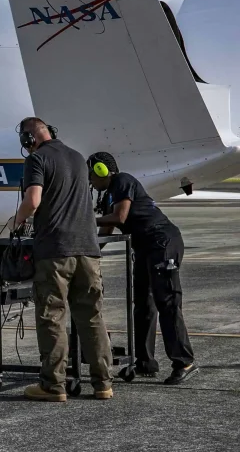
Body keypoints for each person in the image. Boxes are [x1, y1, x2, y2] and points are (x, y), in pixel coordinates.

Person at [12, 117, 114, 402]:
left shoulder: (37, 160)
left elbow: (33, 201)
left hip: (56, 251)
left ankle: (53, 385)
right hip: (88, 250)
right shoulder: (78, 157)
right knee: (92, 317)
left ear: (28, 140)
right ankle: (103, 384)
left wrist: (17, 222)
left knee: (52, 318)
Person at [87, 151, 199, 385]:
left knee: (166, 302)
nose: (90, 181)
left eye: (91, 175)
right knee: (143, 305)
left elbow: (119, 217)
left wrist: (84, 219)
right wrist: (90, 255)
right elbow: (106, 231)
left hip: (162, 242)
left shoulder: (123, 181)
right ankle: (145, 362)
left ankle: (184, 361)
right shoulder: (110, 194)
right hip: (145, 248)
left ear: (102, 171)